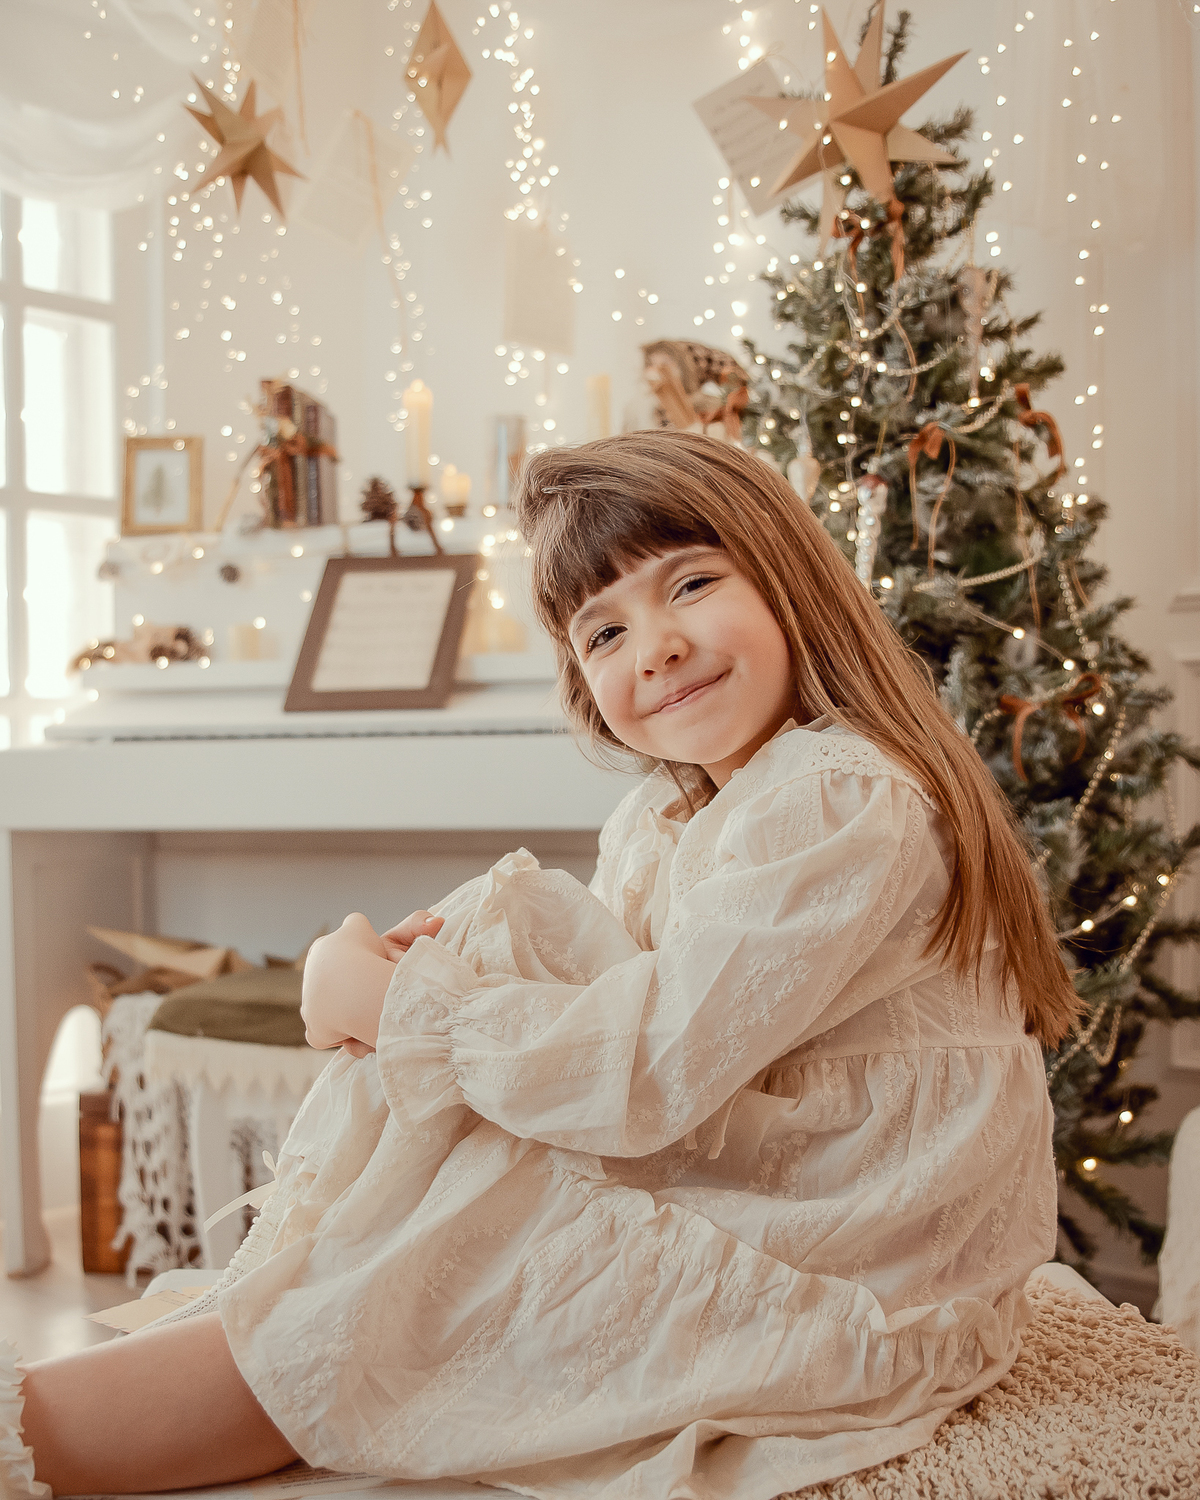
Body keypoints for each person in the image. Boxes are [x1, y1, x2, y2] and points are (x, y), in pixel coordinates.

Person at [5, 431, 1079, 1500]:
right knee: (454, 1115)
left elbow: (646, 1069)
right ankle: (193, 1359)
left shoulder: (837, 794)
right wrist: (427, 979)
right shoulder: (668, 815)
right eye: (603, 629)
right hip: (774, 1184)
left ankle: (65, 1426)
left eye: (692, 583)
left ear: (792, 579)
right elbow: (604, 1017)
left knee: (427, 1268)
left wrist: (397, 1006)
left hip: (863, 1270)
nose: (653, 646)